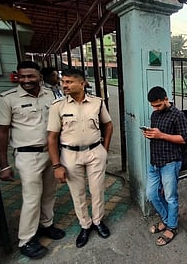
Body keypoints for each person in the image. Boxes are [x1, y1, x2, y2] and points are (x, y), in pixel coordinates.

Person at [0, 61, 65, 259]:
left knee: (49, 193)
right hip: (27, 155)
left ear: (39, 77)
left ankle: (46, 225)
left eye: (30, 76)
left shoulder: (50, 94)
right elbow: (0, 133)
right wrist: (4, 165)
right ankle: (26, 240)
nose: (26, 80)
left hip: (50, 152)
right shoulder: (7, 99)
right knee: (32, 198)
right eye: (22, 76)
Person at [47, 69, 113, 248]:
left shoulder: (97, 103)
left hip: (94, 153)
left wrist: (104, 150)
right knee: (77, 193)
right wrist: (56, 165)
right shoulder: (58, 106)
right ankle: (85, 225)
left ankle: (98, 221)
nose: (64, 85)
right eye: (63, 81)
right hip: (69, 155)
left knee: (97, 190)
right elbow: (52, 137)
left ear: (82, 83)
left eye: (69, 82)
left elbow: (108, 125)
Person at [143, 86, 187, 246]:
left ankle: (172, 227)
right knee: (151, 194)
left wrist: (161, 135)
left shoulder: (178, 115)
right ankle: (167, 219)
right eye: (153, 106)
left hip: (170, 161)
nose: (156, 108)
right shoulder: (155, 115)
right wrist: (150, 134)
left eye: (158, 105)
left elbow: (184, 138)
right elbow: (157, 135)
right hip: (155, 161)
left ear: (166, 99)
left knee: (170, 197)